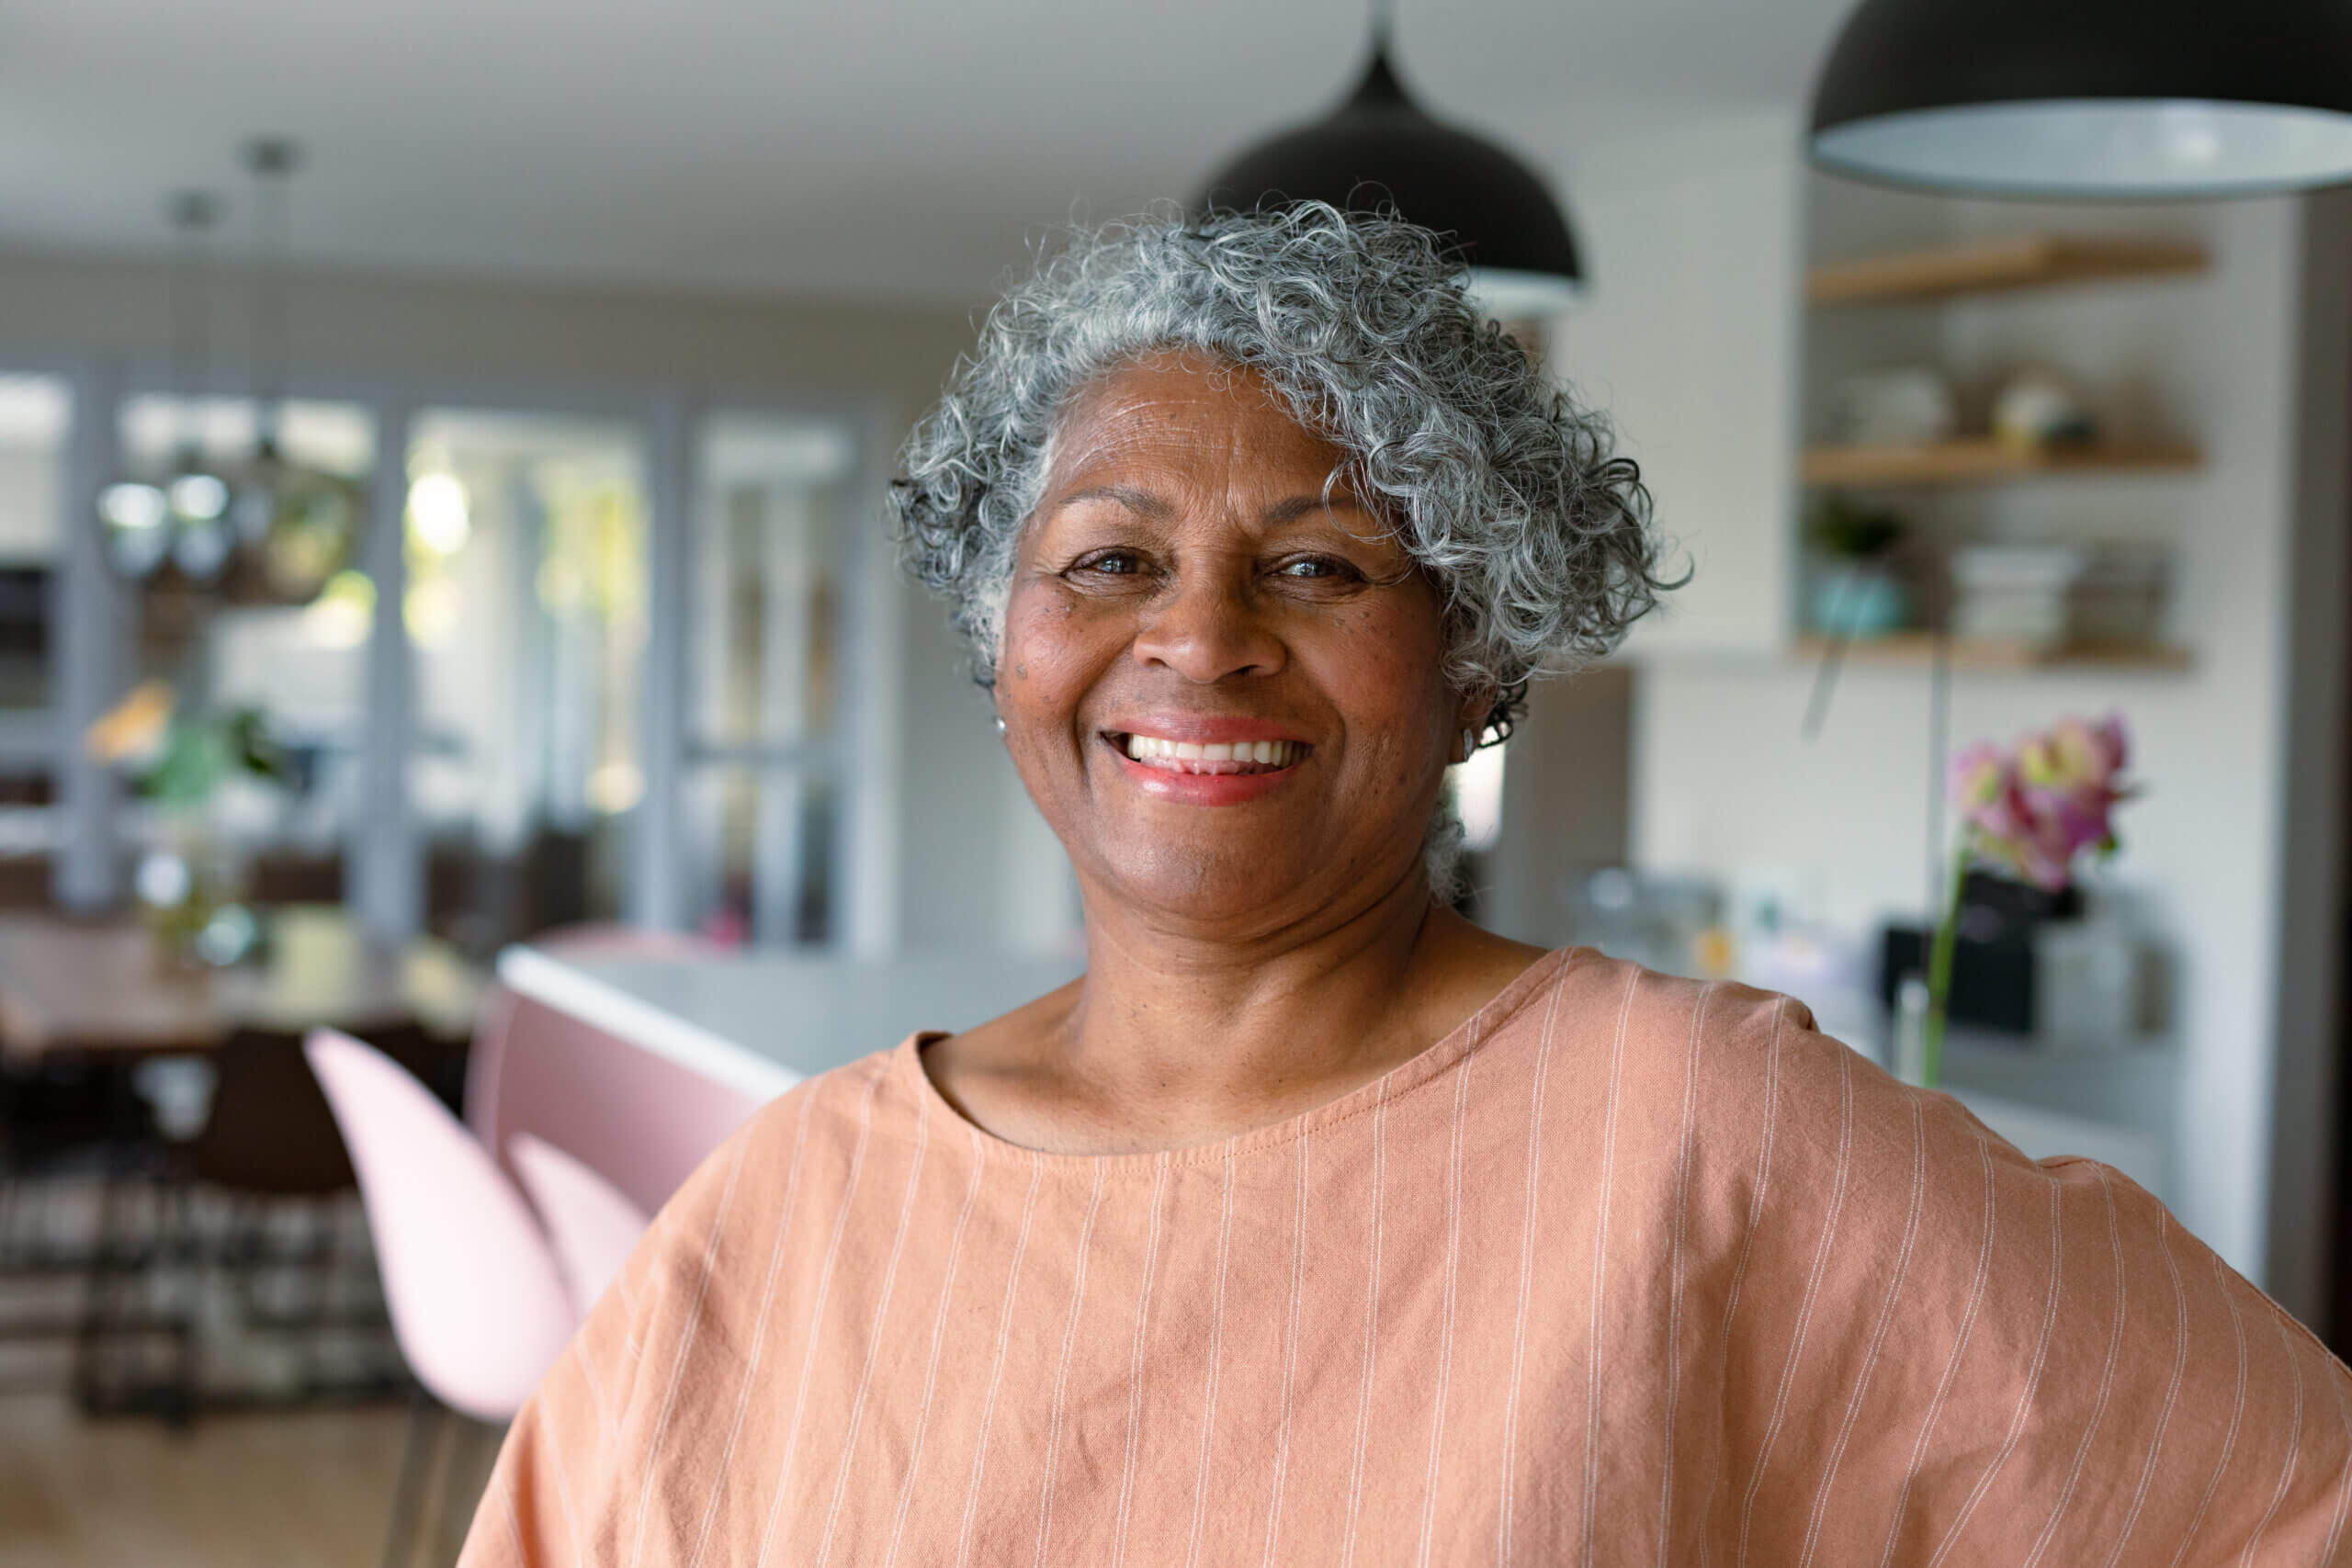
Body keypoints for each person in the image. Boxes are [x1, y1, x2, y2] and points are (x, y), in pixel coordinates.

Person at [459, 205, 2351, 1566]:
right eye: (1111, 558)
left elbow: (2278, 1491)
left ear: (1473, 660)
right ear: (1001, 639)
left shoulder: (1702, 1134)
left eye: (1315, 567)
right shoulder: (797, 1194)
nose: (1194, 641)